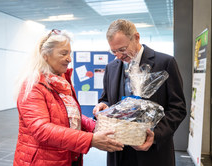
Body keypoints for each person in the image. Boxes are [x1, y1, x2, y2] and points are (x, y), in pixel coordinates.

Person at [13, 29, 124, 166]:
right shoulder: (33, 86)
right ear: (45, 55)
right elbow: (42, 130)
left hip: (68, 156)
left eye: (69, 53)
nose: (69, 59)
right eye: (63, 53)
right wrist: (90, 140)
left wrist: (97, 126)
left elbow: (69, 116)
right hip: (43, 160)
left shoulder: (62, 82)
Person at [93, 19, 187, 166]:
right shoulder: (111, 67)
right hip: (118, 152)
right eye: (114, 51)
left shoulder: (165, 63)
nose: (118, 55)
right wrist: (103, 105)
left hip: (153, 153)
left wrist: (155, 135)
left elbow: (178, 108)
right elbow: (106, 99)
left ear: (136, 37)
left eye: (122, 49)